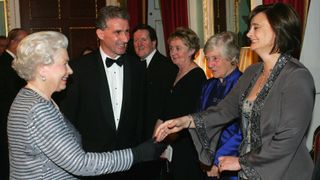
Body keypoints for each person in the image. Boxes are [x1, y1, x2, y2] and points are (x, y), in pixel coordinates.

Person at [155, 3, 315, 180]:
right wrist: (186, 121)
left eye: (256, 27)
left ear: (277, 30)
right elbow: (223, 110)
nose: (248, 34)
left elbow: (288, 139)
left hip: (285, 173)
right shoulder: (252, 72)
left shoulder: (297, 77)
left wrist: (242, 162)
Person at [7, 31, 165, 179]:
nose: (70, 70)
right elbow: (81, 163)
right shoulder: (37, 109)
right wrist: (137, 154)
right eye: (64, 64)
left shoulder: (33, 99)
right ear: (42, 69)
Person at [59, 6, 146, 179]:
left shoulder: (138, 67)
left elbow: (141, 115)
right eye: (118, 32)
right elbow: (68, 119)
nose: (126, 38)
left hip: (129, 164)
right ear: (100, 34)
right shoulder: (78, 69)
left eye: (127, 31)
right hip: (90, 164)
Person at [155, 27, 206, 180]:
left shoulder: (197, 76)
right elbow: (164, 110)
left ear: (191, 50)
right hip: (170, 140)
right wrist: (156, 139)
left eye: (178, 48)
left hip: (185, 143)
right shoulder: (174, 72)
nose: (173, 52)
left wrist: (163, 142)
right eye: (171, 48)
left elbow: (187, 114)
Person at [132, 24, 177, 179]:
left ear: (154, 42)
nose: (139, 43)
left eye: (143, 39)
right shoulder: (131, 66)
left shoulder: (168, 67)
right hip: (135, 141)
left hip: (156, 138)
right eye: (135, 40)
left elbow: (167, 106)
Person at [199, 31, 242, 180]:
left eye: (215, 59)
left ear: (231, 58)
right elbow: (201, 121)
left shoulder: (244, 85)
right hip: (208, 164)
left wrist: (218, 160)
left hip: (233, 164)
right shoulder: (208, 86)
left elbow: (244, 132)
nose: (210, 65)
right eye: (207, 59)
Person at [0, 28, 28, 180]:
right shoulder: (5, 63)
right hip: (6, 116)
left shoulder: (13, 62)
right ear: (14, 42)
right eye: (24, 41)